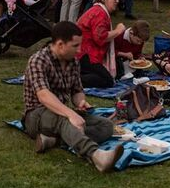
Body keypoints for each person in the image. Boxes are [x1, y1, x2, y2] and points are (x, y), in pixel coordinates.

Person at [22, 21, 123, 172]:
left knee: (106, 126)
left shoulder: (73, 62)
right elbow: (43, 95)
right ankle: (96, 155)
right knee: (66, 120)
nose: (79, 50)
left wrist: (81, 101)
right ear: (61, 44)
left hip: (61, 111)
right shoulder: (38, 60)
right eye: (75, 46)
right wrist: (70, 114)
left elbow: (77, 90)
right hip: (36, 114)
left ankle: (54, 140)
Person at [76, 0, 125, 88]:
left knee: (116, 70)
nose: (117, 1)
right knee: (107, 81)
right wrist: (118, 31)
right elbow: (100, 37)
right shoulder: (99, 13)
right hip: (85, 56)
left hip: (84, 54)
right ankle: (72, 80)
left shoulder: (98, 10)